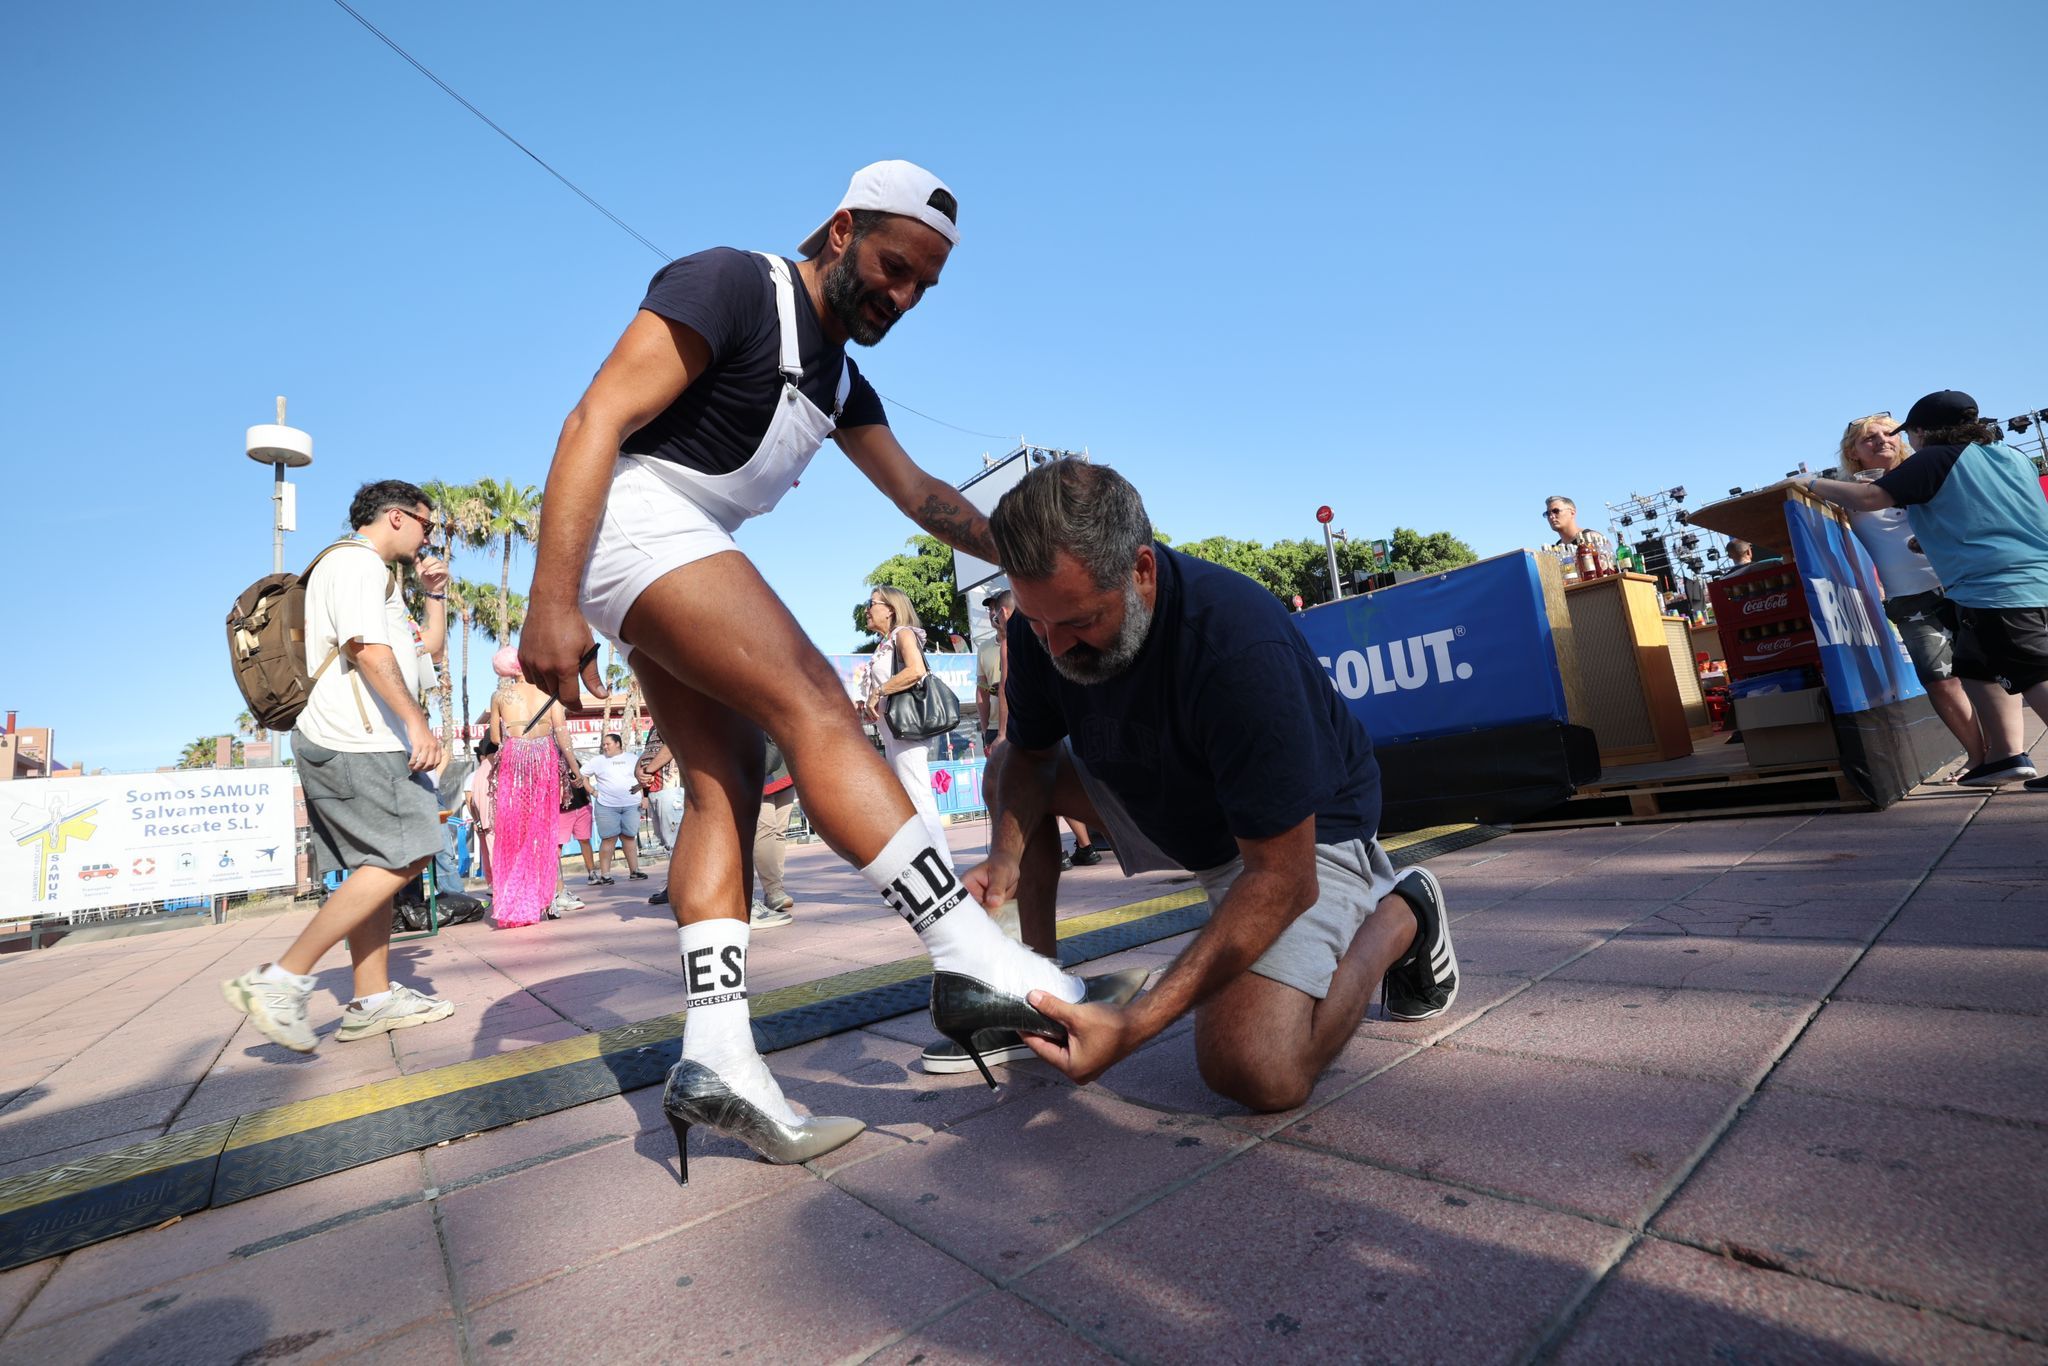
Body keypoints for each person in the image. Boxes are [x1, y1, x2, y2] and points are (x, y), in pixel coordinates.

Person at [518, 160, 1139, 1177]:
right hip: (635, 519)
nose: (903, 295)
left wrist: (1037, 556)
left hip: (669, 541)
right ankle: (971, 953)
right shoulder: (732, 282)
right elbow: (594, 421)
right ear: (842, 229)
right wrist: (550, 598)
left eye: (923, 285)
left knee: (724, 788)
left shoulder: (843, 381)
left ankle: (717, 1056)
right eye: (894, 266)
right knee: (816, 701)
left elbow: (921, 494)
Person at [961, 460, 1458, 1109]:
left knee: (1254, 1069)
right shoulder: (1047, 620)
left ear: (1141, 570)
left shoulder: (1236, 644)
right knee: (1003, 765)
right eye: (1036, 623)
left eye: (1080, 623)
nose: (1054, 648)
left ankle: (1402, 912)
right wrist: (1006, 857)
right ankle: (1039, 989)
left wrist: (1134, 1025)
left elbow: (1284, 879)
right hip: (1173, 797)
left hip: (1304, 830)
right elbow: (1029, 757)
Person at [220, 480, 457, 1051]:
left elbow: (427, 652)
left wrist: (434, 596)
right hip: (358, 739)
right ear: (397, 516)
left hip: (356, 738)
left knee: (377, 864)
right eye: (427, 524)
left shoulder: (376, 576)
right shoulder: (354, 563)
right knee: (413, 849)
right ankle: (281, 980)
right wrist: (416, 723)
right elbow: (365, 648)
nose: (429, 537)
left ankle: (371, 1000)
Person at [1806, 392, 2048, 790]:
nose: (1897, 440)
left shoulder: (1935, 459)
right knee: (1974, 666)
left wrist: (1810, 482)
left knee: (2032, 670)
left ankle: (2004, 754)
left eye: (1903, 433)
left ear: (1921, 432)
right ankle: (2006, 756)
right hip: (2023, 577)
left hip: (1996, 583)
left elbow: (1871, 497)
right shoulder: (2010, 455)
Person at [1832, 413, 2009, 781]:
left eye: (1889, 433)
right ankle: (1977, 757)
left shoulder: (1926, 471)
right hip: (1908, 598)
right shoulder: (1847, 496)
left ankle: (2003, 753)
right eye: (1869, 438)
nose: (1882, 440)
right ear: (1853, 452)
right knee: (1939, 679)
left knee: (1987, 671)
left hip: (1961, 585)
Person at [486, 647, 586, 924]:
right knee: (543, 829)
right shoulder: (549, 694)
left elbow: (495, 738)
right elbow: (562, 734)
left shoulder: (499, 696)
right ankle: (548, 899)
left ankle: (516, 901)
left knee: (514, 830)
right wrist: (575, 769)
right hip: (544, 756)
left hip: (515, 758)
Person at [861, 585, 949, 854]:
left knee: (918, 798)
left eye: (871, 603)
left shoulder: (903, 633)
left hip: (906, 731)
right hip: (893, 733)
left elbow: (916, 670)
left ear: (890, 609)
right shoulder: (884, 643)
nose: (866, 610)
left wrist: (879, 691)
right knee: (909, 801)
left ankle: (943, 865)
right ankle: (929, 863)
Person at [584, 732, 649, 883]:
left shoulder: (632, 758)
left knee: (629, 837)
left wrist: (644, 797)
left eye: (608, 744)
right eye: (604, 744)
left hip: (631, 805)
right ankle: (605, 875)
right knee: (609, 839)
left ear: (618, 743)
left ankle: (634, 871)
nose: (605, 747)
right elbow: (582, 776)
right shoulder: (597, 761)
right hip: (607, 806)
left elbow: (643, 777)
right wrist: (593, 792)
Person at [752, 735, 797, 925]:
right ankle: (773, 890)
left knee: (780, 830)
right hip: (759, 758)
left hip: (785, 760)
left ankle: (775, 889)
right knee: (766, 829)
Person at [636, 726, 682, 907]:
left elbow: (671, 745)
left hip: (671, 788)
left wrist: (647, 771)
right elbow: (647, 752)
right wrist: (639, 772)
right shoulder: (655, 726)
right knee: (667, 840)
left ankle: (678, 888)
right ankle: (675, 886)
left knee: (675, 841)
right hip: (656, 790)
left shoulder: (674, 718)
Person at [466, 737, 499, 887]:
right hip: (501, 820)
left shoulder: (477, 773)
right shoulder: (500, 765)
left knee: (490, 855)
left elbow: (471, 801)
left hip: (485, 822)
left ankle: (494, 885)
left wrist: (477, 820)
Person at [1543, 495, 1609, 560]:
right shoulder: (1556, 550)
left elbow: (1609, 564)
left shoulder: (1592, 538)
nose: (1551, 516)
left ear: (1572, 513)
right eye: (1548, 514)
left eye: (1556, 511)